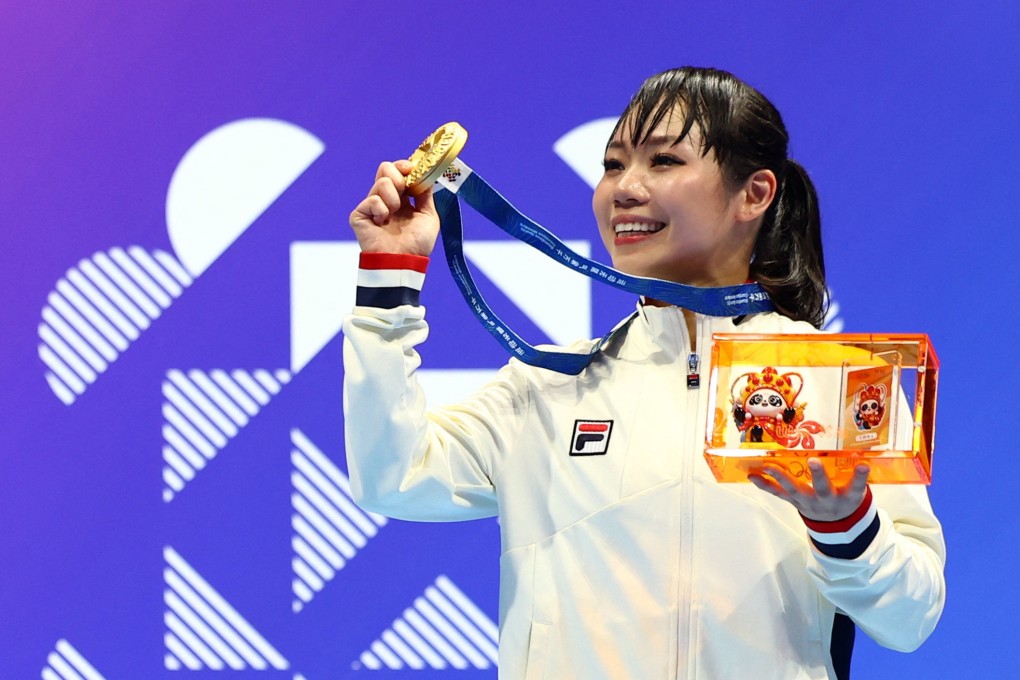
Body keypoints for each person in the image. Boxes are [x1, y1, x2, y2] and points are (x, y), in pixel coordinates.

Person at [343, 67, 945, 680]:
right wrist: (389, 275)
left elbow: (910, 619)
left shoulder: (837, 385)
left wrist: (844, 525)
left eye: (664, 162)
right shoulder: (546, 388)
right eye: (613, 165)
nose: (624, 188)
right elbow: (391, 477)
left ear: (754, 194)